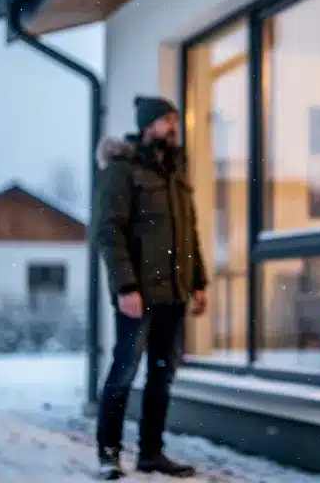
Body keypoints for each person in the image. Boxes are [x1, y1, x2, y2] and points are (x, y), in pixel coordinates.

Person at [93, 95, 208, 480]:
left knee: (162, 375)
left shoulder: (176, 173)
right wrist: (126, 287)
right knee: (124, 371)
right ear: (147, 125)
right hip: (138, 295)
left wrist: (199, 282)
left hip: (174, 294)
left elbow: (190, 233)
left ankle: (151, 453)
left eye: (174, 120)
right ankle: (109, 455)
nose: (173, 127)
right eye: (166, 120)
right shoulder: (122, 171)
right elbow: (108, 233)